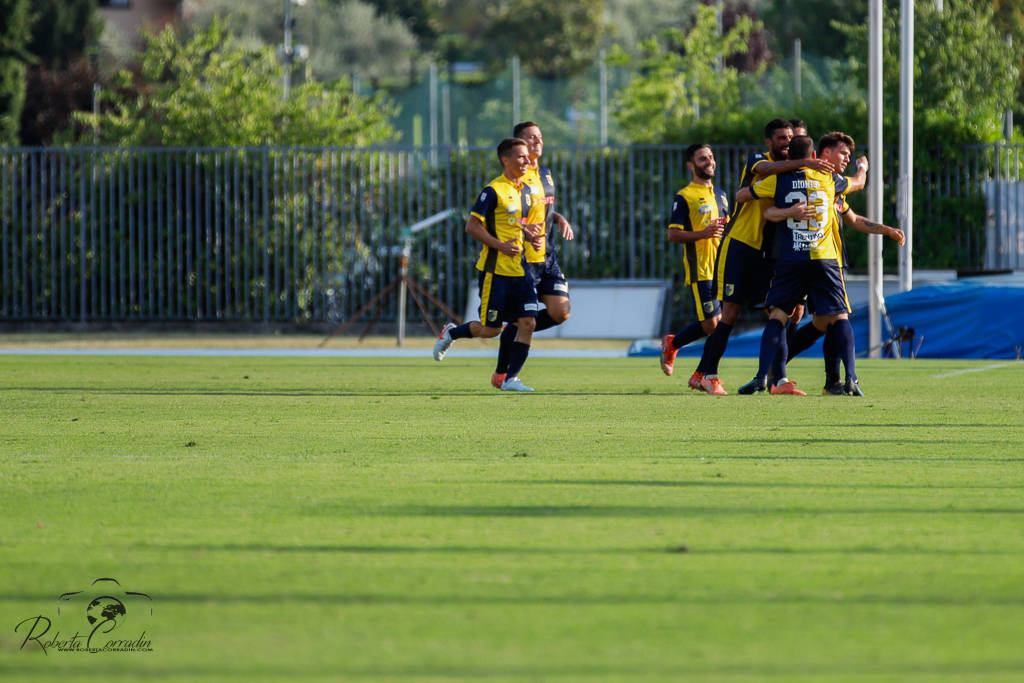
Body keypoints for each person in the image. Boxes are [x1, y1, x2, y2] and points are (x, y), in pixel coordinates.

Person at [699, 119, 835, 388]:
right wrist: (806, 162)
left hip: (766, 252)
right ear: (769, 142)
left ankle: (776, 376)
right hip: (739, 244)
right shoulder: (759, 161)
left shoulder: (793, 175)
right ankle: (706, 373)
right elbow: (761, 176)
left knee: (787, 312)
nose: (787, 142)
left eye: (791, 138)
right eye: (782, 138)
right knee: (728, 315)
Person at [737, 134, 851, 395]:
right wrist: (864, 170)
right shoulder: (829, 179)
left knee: (795, 317)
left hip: (790, 257)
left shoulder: (780, 178)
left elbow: (744, 195)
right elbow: (854, 186)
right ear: (819, 155)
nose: (846, 159)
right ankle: (837, 380)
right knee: (831, 317)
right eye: (843, 153)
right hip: (817, 258)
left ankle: (772, 377)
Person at [432, 137, 544, 392]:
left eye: (527, 157)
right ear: (506, 160)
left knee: (528, 323)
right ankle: (452, 332)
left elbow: (514, 225)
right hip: (496, 272)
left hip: (520, 269)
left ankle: (510, 379)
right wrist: (500, 246)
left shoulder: (524, 191)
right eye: (521, 157)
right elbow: (472, 226)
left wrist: (529, 236)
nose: (527, 161)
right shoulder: (493, 190)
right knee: (491, 330)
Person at [491, 121, 575, 389]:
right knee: (525, 319)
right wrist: (524, 230)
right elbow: (512, 214)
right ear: (519, 145)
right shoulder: (518, 176)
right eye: (531, 138)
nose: (537, 141)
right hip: (524, 258)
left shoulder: (546, 174)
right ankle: (506, 374)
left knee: (561, 312)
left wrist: (559, 218)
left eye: (540, 136)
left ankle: (513, 331)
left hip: (548, 255)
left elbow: (542, 209)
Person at [658, 143, 730, 394]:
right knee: (712, 325)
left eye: (710, 156)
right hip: (701, 269)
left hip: (722, 269)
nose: (708, 161)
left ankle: (701, 374)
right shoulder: (685, 195)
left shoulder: (720, 194)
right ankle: (674, 344)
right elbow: (673, 235)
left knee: (720, 324)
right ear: (691, 165)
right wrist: (703, 233)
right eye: (702, 158)